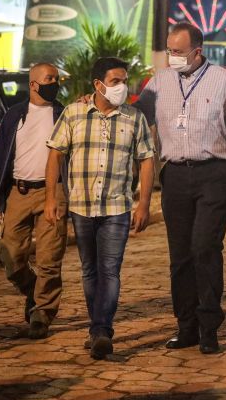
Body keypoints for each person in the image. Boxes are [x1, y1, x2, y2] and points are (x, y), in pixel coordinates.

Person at [134, 22, 226, 355]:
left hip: (213, 173)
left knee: (205, 247)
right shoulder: (158, 83)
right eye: (169, 50)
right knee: (180, 256)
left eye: (177, 52)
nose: (171, 57)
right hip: (174, 175)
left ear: (197, 51)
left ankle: (209, 326)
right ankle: (185, 325)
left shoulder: (222, 82)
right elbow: (133, 118)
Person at [45, 57, 155, 359]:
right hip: (81, 205)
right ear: (98, 84)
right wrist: (51, 199)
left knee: (110, 269)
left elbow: (147, 160)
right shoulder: (74, 113)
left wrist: (143, 203)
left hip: (117, 206)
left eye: (125, 81)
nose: (123, 87)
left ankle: (102, 329)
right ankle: (96, 326)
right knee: (89, 270)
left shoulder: (134, 118)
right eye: (116, 81)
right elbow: (55, 155)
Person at [0, 63, 67, 339]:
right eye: (49, 79)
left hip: (53, 193)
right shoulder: (14, 115)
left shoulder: (64, 114)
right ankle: (33, 289)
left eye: (56, 78)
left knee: (49, 258)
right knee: (10, 255)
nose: (54, 82)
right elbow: (0, 156)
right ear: (33, 84)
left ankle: (42, 313)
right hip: (18, 193)